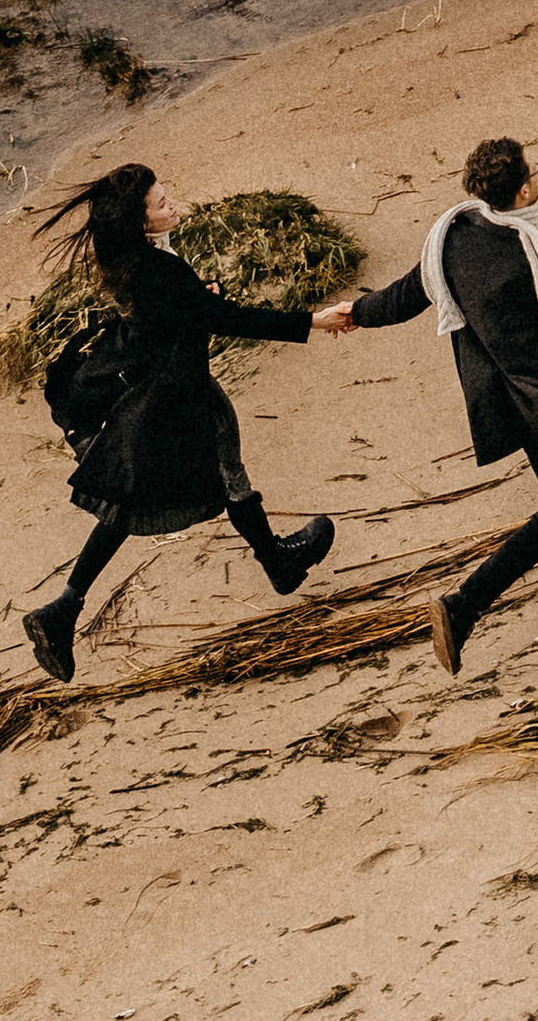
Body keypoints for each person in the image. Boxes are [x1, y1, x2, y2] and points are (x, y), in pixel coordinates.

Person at [314, 134, 538, 676]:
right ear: (525, 187)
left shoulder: (451, 239)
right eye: (536, 170)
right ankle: (465, 605)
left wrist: (357, 311)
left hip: (502, 399)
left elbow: (409, 294)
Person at [21, 161, 335, 682]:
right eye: (160, 203)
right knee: (215, 475)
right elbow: (226, 320)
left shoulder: (137, 261)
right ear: (142, 222)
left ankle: (63, 609)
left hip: (159, 388)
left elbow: (176, 313)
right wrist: (311, 321)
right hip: (175, 397)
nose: (171, 204)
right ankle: (277, 562)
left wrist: (196, 301)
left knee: (135, 501)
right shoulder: (156, 270)